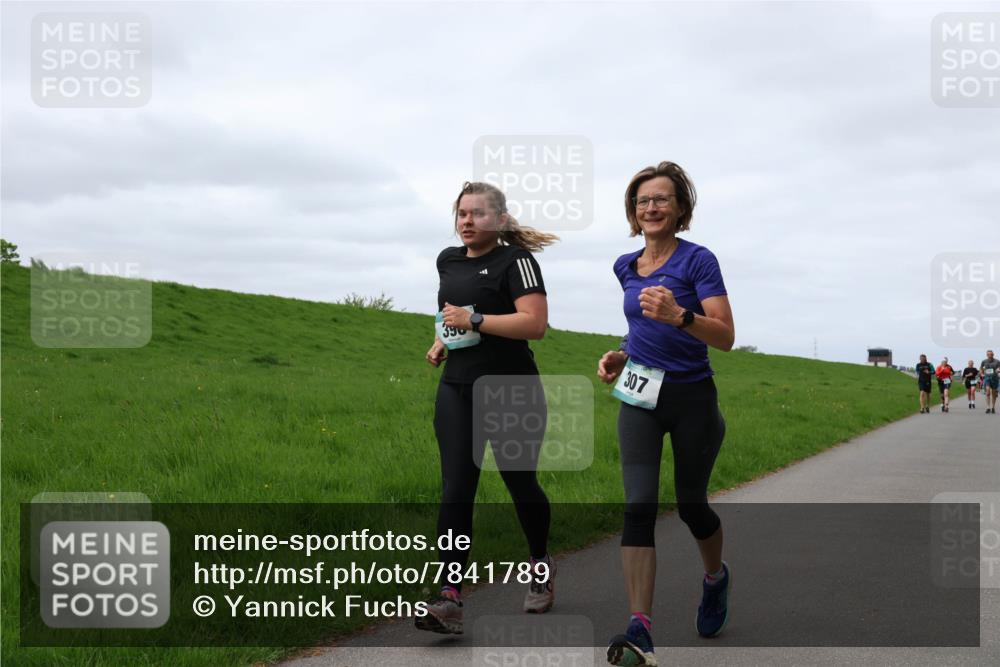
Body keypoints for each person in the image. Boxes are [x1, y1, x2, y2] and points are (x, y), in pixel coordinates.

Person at [596, 162, 735, 666]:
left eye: (661, 199)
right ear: (634, 212)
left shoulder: (699, 261)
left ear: (680, 208)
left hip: (692, 397)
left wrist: (681, 314)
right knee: (638, 506)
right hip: (641, 395)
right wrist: (620, 354)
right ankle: (641, 628)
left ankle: (715, 579)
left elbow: (725, 334)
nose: (650, 207)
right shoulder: (624, 266)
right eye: (642, 201)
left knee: (692, 505)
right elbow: (639, 330)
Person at [417, 181, 559, 635]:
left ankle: (540, 564)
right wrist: (444, 338)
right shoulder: (448, 260)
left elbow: (534, 324)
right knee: (457, 488)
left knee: (521, 484)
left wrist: (474, 319)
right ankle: (451, 597)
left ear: (499, 220)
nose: (467, 221)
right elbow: (452, 313)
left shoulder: (517, 262)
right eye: (461, 213)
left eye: (477, 214)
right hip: (457, 390)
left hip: (511, 390)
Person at [981, 350, 1000, 414]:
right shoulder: (984, 361)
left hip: (995, 378)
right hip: (987, 378)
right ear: (987, 355)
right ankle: (988, 407)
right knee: (988, 392)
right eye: (988, 354)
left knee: (994, 393)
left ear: (993, 355)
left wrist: (998, 370)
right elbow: (981, 368)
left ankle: (993, 407)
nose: (990, 355)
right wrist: (982, 373)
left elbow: (999, 368)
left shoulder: (997, 361)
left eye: (991, 354)